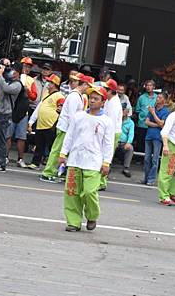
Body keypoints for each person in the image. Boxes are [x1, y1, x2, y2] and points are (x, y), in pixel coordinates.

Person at [59, 85, 114, 232]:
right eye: (91, 98)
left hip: (94, 162)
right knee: (71, 192)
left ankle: (92, 215)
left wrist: (107, 162)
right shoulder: (78, 116)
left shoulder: (107, 121)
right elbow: (69, 135)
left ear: (103, 102)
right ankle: (73, 222)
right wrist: (63, 153)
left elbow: (108, 144)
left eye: (96, 99)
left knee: (89, 192)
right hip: (75, 159)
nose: (93, 101)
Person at [40, 73, 92, 182]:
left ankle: (61, 173)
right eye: (89, 87)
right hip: (66, 128)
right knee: (58, 150)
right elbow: (72, 117)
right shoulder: (75, 96)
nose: (89, 90)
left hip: (68, 128)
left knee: (65, 151)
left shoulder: (78, 96)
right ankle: (48, 172)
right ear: (85, 85)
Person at [0, 63, 22, 172]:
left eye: (13, 70)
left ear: (17, 72)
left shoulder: (17, 84)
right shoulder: (7, 80)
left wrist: (1, 74)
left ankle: (1, 164)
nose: (11, 71)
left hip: (4, 114)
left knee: (0, 140)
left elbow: (6, 89)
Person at [27, 74, 64, 169]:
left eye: (50, 82)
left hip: (51, 125)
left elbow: (61, 107)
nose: (48, 83)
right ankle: (35, 163)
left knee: (52, 147)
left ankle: (54, 166)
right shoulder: (46, 94)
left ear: (54, 84)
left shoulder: (59, 96)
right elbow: (39, 107)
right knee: (39, 145)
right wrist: (31, 121)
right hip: (41, 124)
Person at [142, 92, 169, 186]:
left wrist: (153, 113)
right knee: (146, 158)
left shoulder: (165, 111)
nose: (157, 99)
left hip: (158, 137)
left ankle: (151, 179)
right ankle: (146, 178)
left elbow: (162, 124)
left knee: (155, 159)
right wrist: (157, 124)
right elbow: (147, 122)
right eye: (157, 97)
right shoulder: (153, 108)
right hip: (148, 136)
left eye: (160, 97)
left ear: (164, 101)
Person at [100, 79, 122, 191]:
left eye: (106, 89)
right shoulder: (109, 100)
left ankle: (102, 182)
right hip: (109, 131)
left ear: (111, 91)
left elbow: (111, 123)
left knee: (106, 156)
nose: (104, 90)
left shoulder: (114, 104)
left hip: (112, 132)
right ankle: (101, 181)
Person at [134, 79, 157, 153]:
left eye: (150, 85)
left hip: (153, 124)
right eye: (147, 85)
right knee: (140, 142)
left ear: (154, 87)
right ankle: (139, 159)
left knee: (150, 143)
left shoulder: (157, 98)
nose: (148, 87)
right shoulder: (141, 97)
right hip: (142, 124)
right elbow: (137, 110)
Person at [116, 104, 135, 178]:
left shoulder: (130, 122)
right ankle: (108, 166)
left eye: (124, 110)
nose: (123, 112)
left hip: (124, 143)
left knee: (130, 148)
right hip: (115, 141)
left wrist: (128, 142)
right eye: (122, 110)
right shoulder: (116, 120)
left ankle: (126, 168)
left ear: (127, 112)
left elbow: (131, 134)